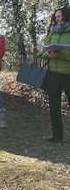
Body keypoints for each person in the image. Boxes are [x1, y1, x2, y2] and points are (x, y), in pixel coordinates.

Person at [40, 7, 70, 143]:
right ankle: (57, 136)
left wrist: (58, 54)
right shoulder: (52, 32)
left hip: (68, 74)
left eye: (60, 16)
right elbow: (44, 49)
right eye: (56, 17)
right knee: (54, 107)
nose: (58, 19)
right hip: (53, 74)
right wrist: (47, 54)